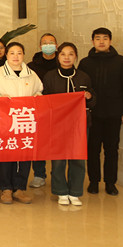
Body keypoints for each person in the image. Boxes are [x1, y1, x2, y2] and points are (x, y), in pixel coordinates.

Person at [78, 27, 123, 195]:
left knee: (111, 150)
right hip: (92, 114)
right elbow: (80, 88)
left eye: (105, 38)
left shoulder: (122, 62)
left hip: (114, 114)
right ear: (92, 41)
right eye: (98, 38)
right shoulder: (85, 63)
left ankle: (110, 183)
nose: (101, 41)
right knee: (93, 149)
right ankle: (93, 181)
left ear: (110, 41)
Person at [0, 42, 44, 205]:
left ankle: (20, 188)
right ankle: (6, 188)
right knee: (5, 154)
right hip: (4, 120)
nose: (15, 56)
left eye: (19, 53)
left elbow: (39, 90)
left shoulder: (31, 74)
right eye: (12, 53)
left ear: (23, 55)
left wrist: (37, 97)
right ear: (6, 55)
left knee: (24, 155)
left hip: (24, 121)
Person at [43, 42, 95, 206]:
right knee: (58, 159)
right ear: (58, 57)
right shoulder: (50, 76)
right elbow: (45, 100)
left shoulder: (84, 76)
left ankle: (75, 192)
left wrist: (89, 97)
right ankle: (61, 191)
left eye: (71, 54)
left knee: (78, 158)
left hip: (80, 125)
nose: (67, 57)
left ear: (76, 57)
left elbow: (93, 100)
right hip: (57, 124)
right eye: (63, 54)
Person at [26, 33, 59, 188]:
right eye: (45, 43)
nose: (48, 45)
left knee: (57, 143)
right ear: (40, 46)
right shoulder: (31, 66)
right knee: (38, 143)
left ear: (56, 46)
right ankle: (39, 175)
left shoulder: (62, 63)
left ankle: (57, 175)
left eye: (51, 42)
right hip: (38, 110)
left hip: (58, 111)